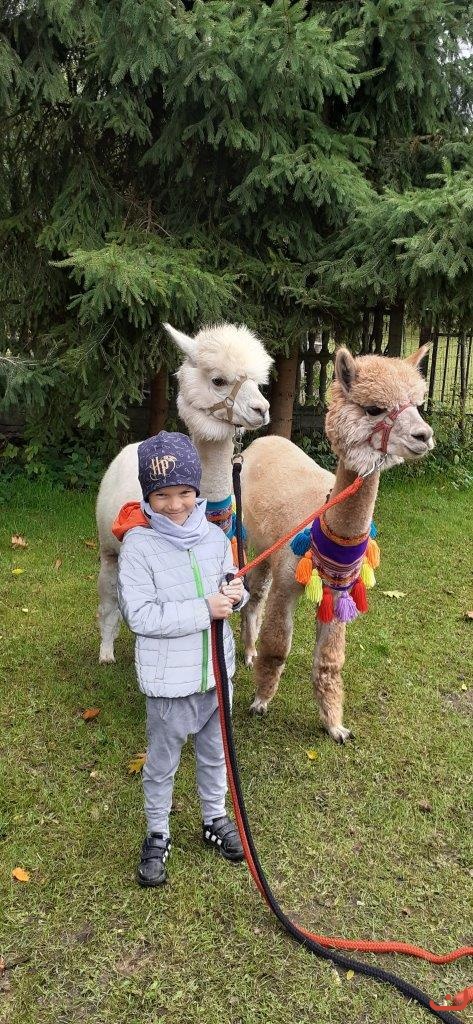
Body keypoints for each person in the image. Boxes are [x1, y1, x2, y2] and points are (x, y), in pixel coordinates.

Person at [115, 431, 248, 887]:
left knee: (215, 755)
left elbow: (233, 586)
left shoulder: (214, 537)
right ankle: (157, 832)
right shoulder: (139, 546)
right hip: (169, 685)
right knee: (162, 763)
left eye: (185, 493)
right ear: (148, 497)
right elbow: (141, 615)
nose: (175, 505)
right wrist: (205, 608)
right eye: (162, 495)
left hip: (217, 676)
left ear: (197, 489)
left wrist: (237, 594)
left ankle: (214, 817)